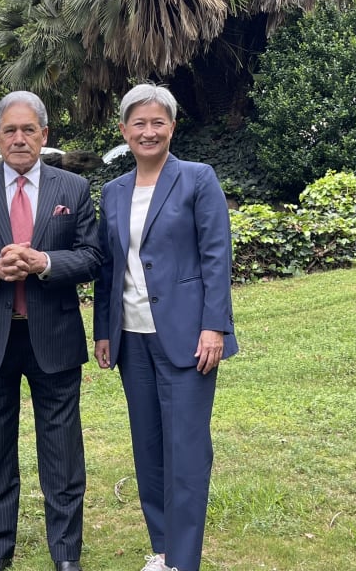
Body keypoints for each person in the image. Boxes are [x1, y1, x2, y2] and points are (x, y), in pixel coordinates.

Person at [0, 90, 102, 571]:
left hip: (54, 336)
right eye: (9, 130)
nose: (19, 138)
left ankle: (66, 554)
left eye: (29, 129)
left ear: (45, 135)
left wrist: (45, 262)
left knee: (62, 450)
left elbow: (93, 256)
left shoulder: (72, 188)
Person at [92, 84, 238, 571]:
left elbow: (217, 257)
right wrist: (104, 331)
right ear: (124, 131)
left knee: (187, 452)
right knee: (148, 449)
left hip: (188, 338)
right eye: (139, 123)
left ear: (172, 127)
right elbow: (108, 268)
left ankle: (185, 560)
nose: (148, 131)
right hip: (132, 339)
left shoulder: (197, 179)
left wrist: (214, 326)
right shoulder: (113, 192)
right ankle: (162, 550)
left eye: (158, 122)